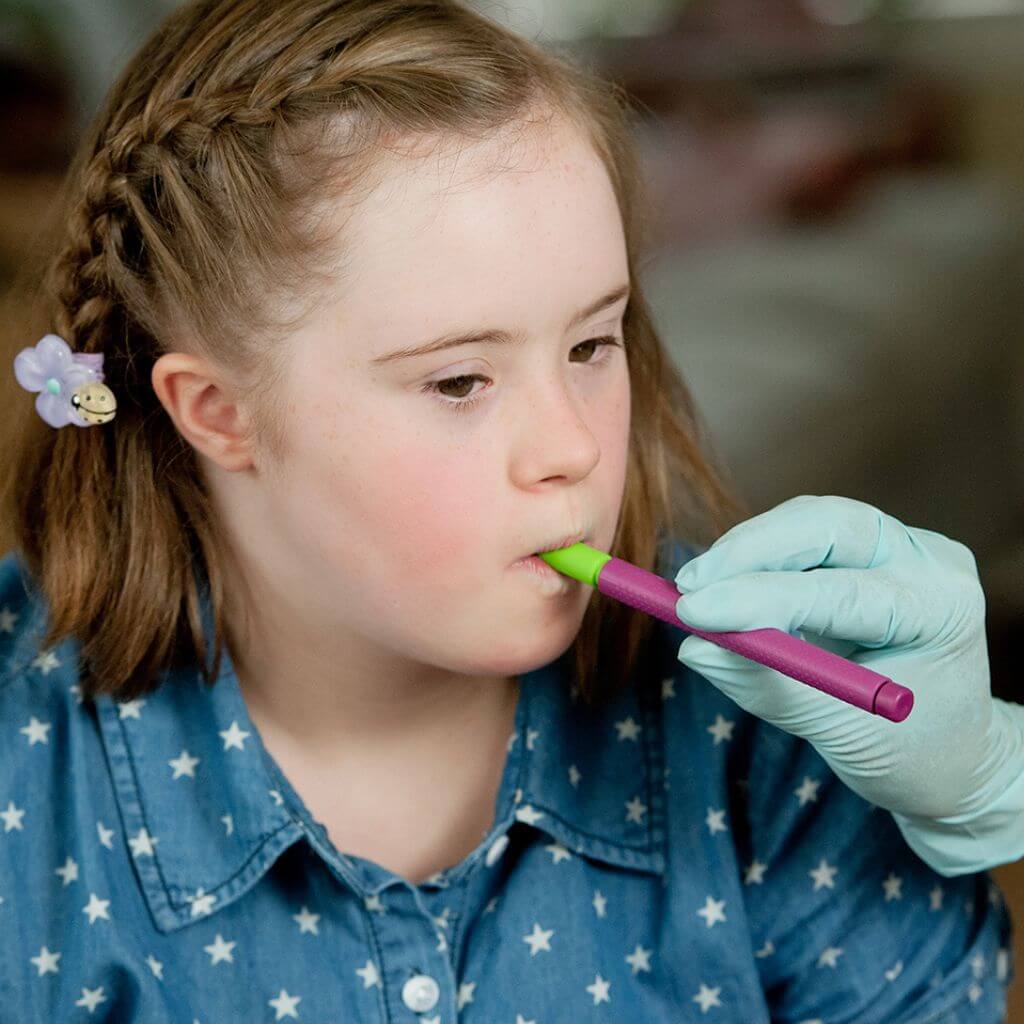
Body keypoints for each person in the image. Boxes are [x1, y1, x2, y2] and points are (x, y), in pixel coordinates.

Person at [0, 0, 1014, 1020]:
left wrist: (985, 783)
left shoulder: (766, 742)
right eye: (457, 382)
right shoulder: (26, 785)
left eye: (589, 346)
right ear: (217, 412)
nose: (572, 449)